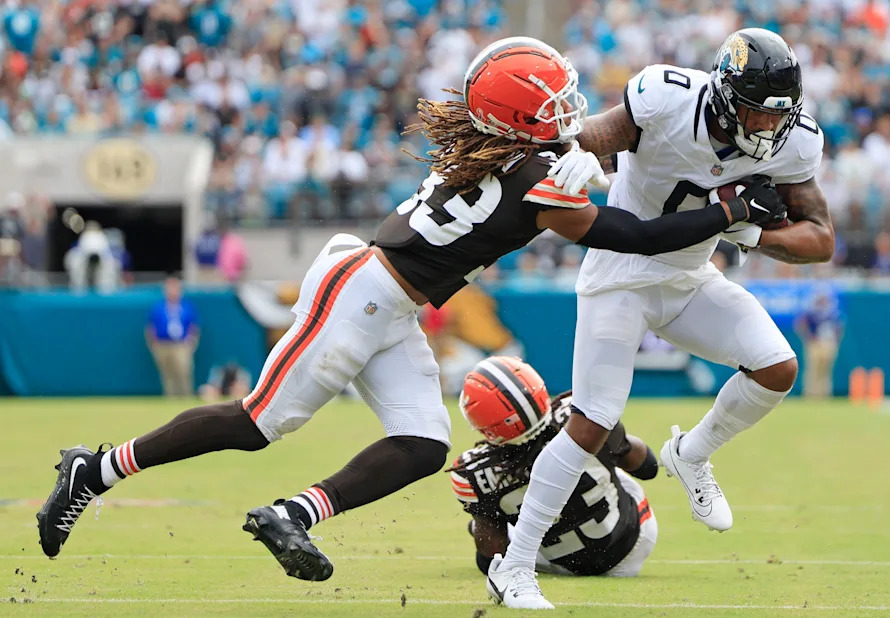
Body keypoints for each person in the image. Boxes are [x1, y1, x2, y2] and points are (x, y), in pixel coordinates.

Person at [37, 37, 778, 584]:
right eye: (551, 105)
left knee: (423, 443)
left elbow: (573, 187)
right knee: (261, 422)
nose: (569, 112)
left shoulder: (519, 160)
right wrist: (726, 207)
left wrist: (574, 161)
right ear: (518, 119)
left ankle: (295, 515)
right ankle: (94, 471)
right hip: (363, 292)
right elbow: (635, 236)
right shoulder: (530, 176)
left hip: (396, 304)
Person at [488, 29, 833, 609]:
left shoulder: (793, 141)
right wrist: (573, 156)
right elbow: (596, 136)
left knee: (776, 368)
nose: (770, 129)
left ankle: (691, 454)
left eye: (780, 116)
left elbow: (820, 239)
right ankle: (516, 564)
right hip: (620, 276)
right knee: (594, 419)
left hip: (690, 278)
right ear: (725, 95)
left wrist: (749, 229)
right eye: (757, 112)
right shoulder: (668, 96)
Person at [451, 356, 657, 579]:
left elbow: (491, 559)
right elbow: (647, 467)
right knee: (598, 457)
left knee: (486, 519)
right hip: (634, 540)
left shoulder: (472, 472)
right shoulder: (585, 415)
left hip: (565, 565)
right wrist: (617, 441)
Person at [146, 276, 200, 397]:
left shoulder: (186, 306)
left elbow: (194, 326)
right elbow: (150, 327)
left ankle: (186, 397)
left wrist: (191, 342)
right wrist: (154, 344)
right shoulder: (158, 307)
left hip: (181, 344)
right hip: (163, 344)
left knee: (183, 372)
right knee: (167, 374)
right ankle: (170, 398)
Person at [795, 290, 843, 398]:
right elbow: (800, 324)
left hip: (828, 343)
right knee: (813, 369)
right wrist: (809, 337)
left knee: (826, 370)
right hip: (815, 343)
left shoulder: (832, 313)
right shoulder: (811, 312)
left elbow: (839, 327)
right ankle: (811, 393)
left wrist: (835, 340)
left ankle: (824, 393)